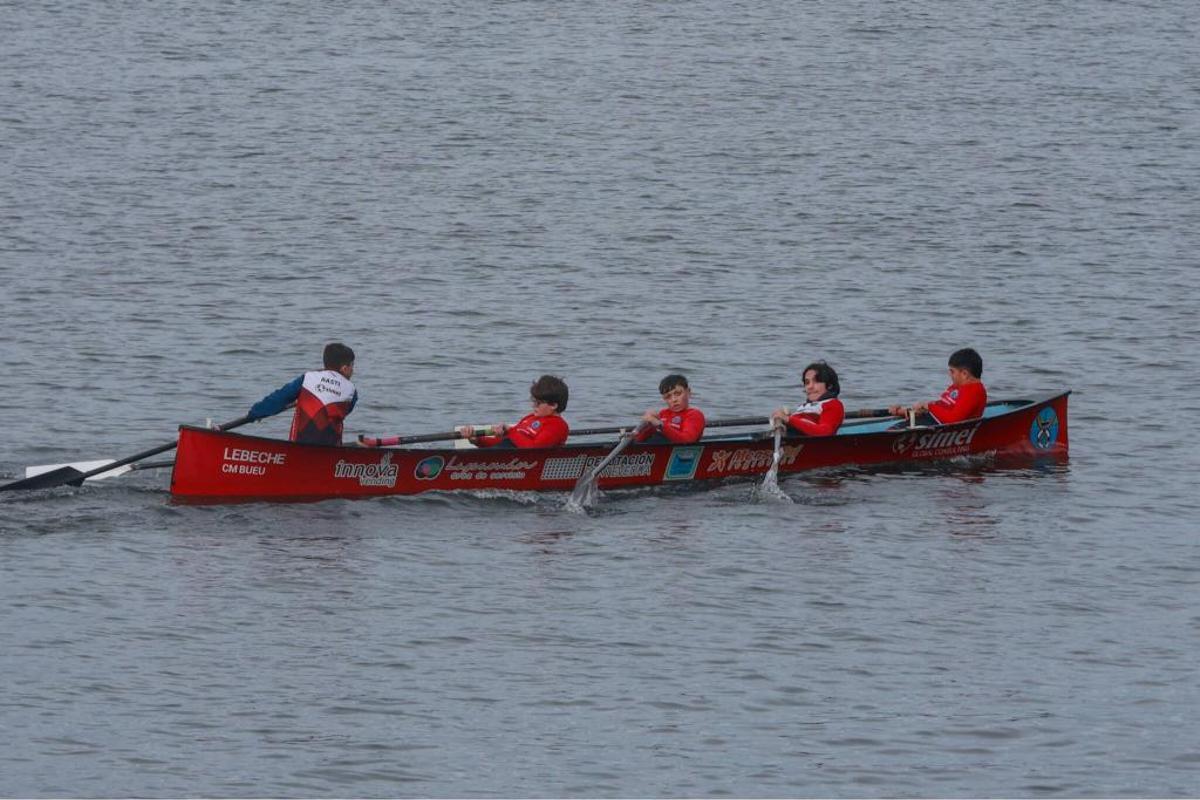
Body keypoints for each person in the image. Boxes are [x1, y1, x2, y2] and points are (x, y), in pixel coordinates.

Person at [248, 343, 358, 445]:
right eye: (352, 366)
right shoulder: (352, 391)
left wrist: (257, 412)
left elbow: (280, 398)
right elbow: (344, 411)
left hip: (298, 446)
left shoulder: (308, 378)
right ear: (344, 368)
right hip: (331, 450)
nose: (353, 371)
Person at [466, 375, 570, 449]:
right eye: (533, 401)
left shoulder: (557, 425)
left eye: (538, 403)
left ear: (553, 405)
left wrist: (511, 431)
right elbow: (508, 441)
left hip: (525, 465)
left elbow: (534, 449)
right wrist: (478, 440)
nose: (533, 405)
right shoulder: (530, 418)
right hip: (505, 461)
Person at [889, 347, 987, 424]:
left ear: (964, 374)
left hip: (938, 427)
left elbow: (953, 419)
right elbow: (941, 407)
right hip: (930, 420)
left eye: (952, 371)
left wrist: (929, 407)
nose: (949, 374)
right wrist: (903, 411)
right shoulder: (957, 386)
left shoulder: (974, 391)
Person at [771, 361, 845, 436]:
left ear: (829, 386)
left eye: (816, 381)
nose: (810, 387)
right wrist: (783, 419)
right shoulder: (804, 406)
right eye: (807, 382)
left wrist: (788, 419)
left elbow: (824, 432)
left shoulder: (833, 404)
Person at [635, 374, 706, 444]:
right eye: (668, 397)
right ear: (664, 399)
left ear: (688, 392)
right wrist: (648, 424)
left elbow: (687, 440)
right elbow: (638, 440)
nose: (674, 400)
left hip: (680, 449)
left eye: (678, 394)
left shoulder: (695, 415)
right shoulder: (663, 413)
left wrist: (660, 425)